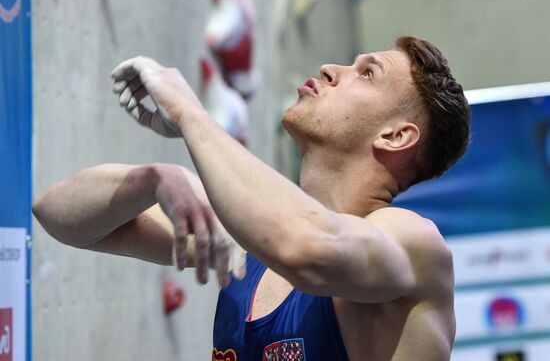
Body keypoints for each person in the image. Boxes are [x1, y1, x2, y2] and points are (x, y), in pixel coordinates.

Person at [33, 36, 470, 361]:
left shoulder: (413, 246)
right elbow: (57, 215)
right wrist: (153, 180)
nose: (332, 68)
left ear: (396, 136)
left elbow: (306, 248)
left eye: (367, 73)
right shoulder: (250, 235)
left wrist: (191, 115)